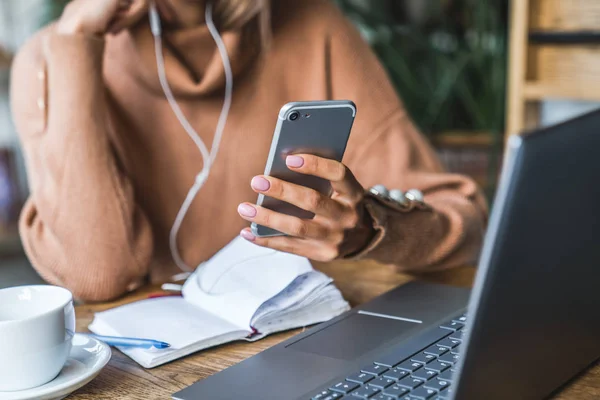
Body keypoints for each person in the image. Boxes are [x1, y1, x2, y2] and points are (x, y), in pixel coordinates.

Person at [10, 0, 488, 302]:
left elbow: (462, 221)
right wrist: (75, 44)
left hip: (308, 339)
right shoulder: (53, 57)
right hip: (150, 368)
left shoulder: (312, 24)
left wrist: (371, 232)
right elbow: (97, 276)